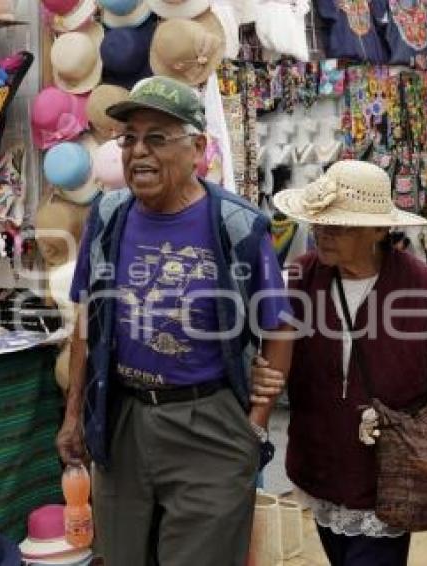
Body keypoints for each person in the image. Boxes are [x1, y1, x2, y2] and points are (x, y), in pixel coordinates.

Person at [56, 76, 293, 566]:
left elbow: (280, 323)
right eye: (129, 138)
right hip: (123, 419)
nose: (138, 152)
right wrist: (74, 414)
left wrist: (255, 426)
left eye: (157, 138)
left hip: (208, 423)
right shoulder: (108, 214)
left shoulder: (239, 224)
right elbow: (87, 319)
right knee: (121, 557)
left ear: (198, 148)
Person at [266, 160, 427, 565]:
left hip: (390, 473)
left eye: (340, 226)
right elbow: (277, 356)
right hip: (321, 462)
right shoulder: (299, 277)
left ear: (379, 230)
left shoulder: (420, 286)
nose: (323, 234)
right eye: (319, 222)